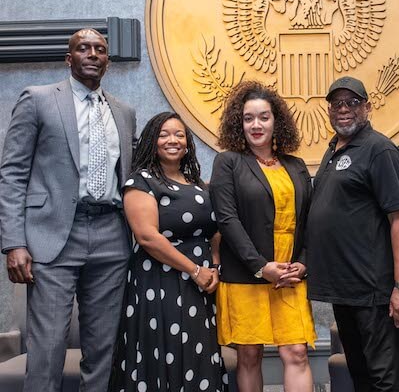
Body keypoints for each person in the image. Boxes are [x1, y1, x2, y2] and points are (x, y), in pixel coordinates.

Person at [0, 29, 136, 392]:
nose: (93, 54)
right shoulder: (39, 99)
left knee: (104, 349)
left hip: (112, 237)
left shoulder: (123, 112)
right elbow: (12, 173)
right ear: (69, 57)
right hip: (52, 236)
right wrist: (14, 242)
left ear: (108, 60)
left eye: (100, 49)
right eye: (84, 48)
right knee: (47, 348)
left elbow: (133, 176)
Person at [306, 76, 399, 392]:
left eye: (352, 102)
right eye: (336, 103)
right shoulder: (333, 149)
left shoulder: (379, 150)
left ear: (367, 107)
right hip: (345, 288)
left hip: (373, 289)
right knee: (361, 375)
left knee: (384, 378)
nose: (343, 109)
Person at [108, 112, 228, 391]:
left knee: (197, 354)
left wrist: (214, 267)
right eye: (164, 134)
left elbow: (216, 230)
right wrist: (194, 270)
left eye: (179, 134)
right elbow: (147, 236)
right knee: (164, 350)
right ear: (152, 141)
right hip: (159, 284)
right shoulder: (141, 182)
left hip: (200, 286)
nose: (172, 140)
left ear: (187, 143)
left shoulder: (197, 183)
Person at [209, 80, 316, 392]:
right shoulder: (228, 162)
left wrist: (304, 264)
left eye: (264, 117)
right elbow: (227, 220)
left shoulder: (296, 166)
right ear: (238, 123)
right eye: (248, 118)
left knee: (296, 352)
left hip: (290, 274)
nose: (256, 125)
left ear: (276, 121)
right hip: (246, 272)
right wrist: (260, 266)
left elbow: (310, 221)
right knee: (249, 354)